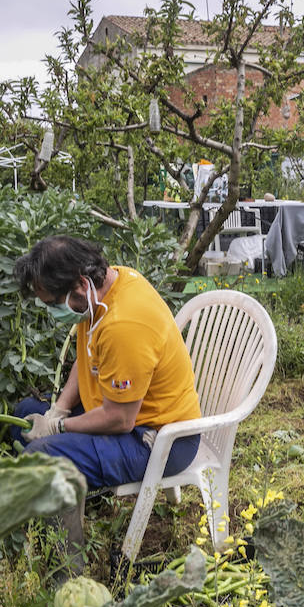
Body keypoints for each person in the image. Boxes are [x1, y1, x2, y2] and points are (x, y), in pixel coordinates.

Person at [12, 235, 201, 575]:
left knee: (42, 457)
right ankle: (47, 515)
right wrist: (58, 409)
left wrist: (58, 427)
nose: (52, 310)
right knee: (25, 416)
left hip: (159, 438)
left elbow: (119, 419)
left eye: (53, 302)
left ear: (80, 285)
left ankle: (67, 579)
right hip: (126, 413)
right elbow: (85, 360)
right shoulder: (105, 290)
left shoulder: (124, 324)